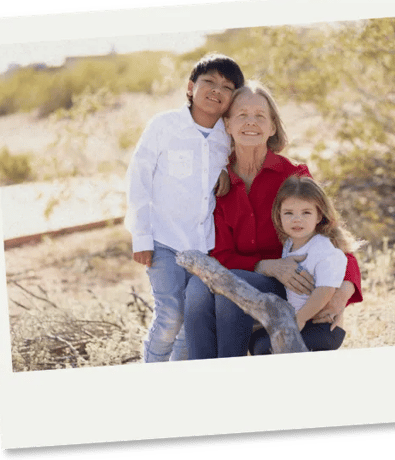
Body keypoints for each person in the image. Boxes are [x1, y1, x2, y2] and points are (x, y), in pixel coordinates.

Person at [185, 81, 363, 359]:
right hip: (246, 273)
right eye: (242, 115)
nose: (251, 122)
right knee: (197, 291)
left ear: (272, 127)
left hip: (292, 288)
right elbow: (220, 254)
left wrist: (340, 296)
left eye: (260, 116)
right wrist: (269, 266)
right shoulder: (217, 180)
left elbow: (334, 238)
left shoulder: (293, 176)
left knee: (232, 288)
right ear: (227, 125)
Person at [125, 53, 245, 362]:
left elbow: (232, 171)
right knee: (171, 315)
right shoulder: (165, 125)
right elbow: (139, 178)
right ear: (191, 87)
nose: (216, 90)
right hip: (163, 241)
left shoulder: (227, 136)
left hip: (204, 246)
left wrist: (225, 174)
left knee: (190, 324)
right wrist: (141, 237)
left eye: (227, 86)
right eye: (209, 81)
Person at [248, 176, 358, 355]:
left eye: (306, 213)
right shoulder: (290, 244)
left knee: (265, 348)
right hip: (302, 321)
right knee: (256, 340)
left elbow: (325, 291)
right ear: (279, 215)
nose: (296, 220)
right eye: (289, 213)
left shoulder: (323, 249)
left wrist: (298, 320)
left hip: (322, 327)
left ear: (319, 216)